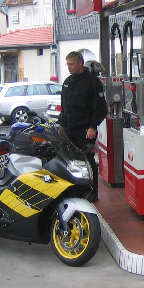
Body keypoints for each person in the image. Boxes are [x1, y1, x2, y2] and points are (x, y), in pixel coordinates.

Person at [60, 51, 107, 202]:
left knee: (87, 160)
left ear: (80, 63)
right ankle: (75, 189)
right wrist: (61, 125)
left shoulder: (92, 82)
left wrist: (93, 127)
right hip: (69, 129)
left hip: (85, 130)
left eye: (72, 64)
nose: (69, 67)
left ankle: (92, 192)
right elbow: (64, 106)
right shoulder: (68, 81)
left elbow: (100, 109)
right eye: (67, 64)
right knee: (71, 160)